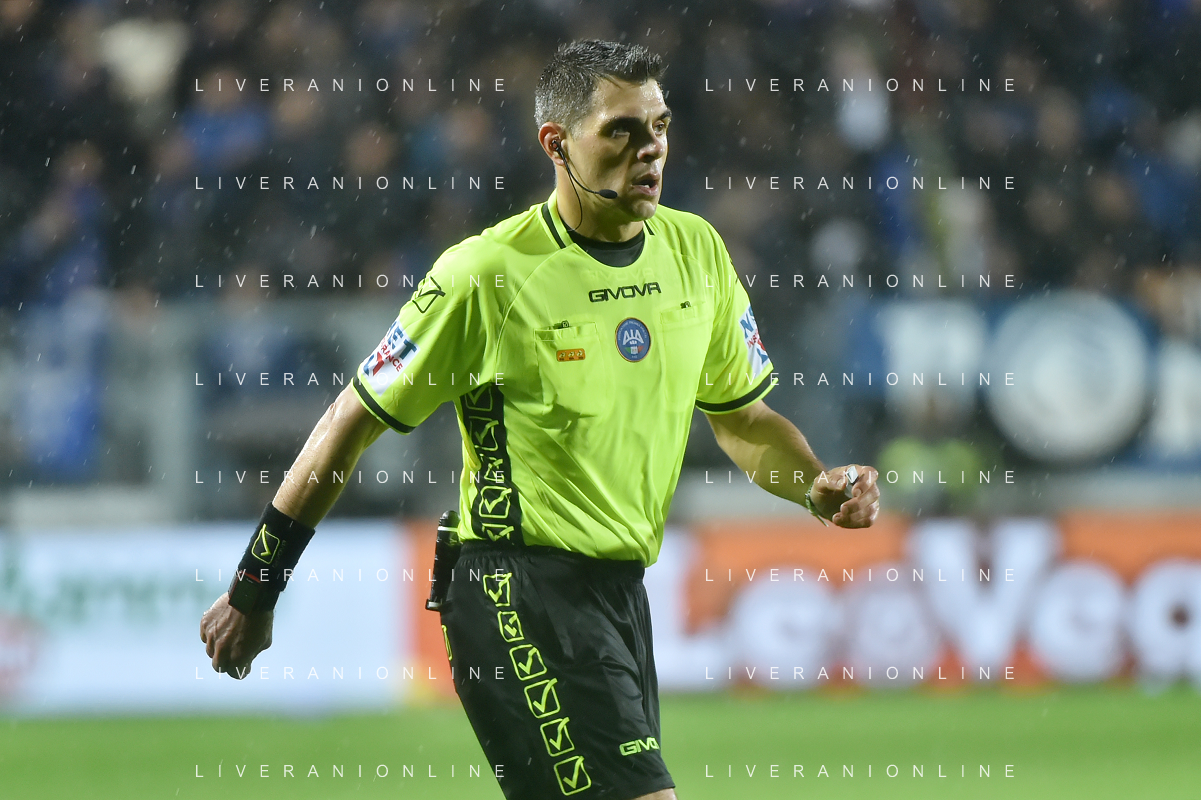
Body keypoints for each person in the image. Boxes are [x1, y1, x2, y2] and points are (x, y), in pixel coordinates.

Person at [201, 39, 881, 800]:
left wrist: (812, 484)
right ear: (557, 144)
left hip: (620, 596)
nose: (650, 148)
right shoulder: (487, 275)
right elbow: (348, 423)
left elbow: (742, 418)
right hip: (514, 587)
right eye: (621, 130)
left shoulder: (697, 253)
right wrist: (256, 587)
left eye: (659, 125)